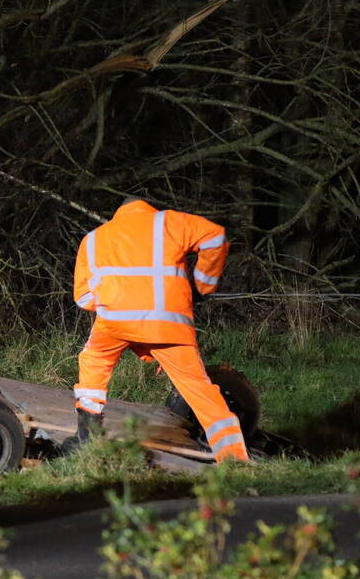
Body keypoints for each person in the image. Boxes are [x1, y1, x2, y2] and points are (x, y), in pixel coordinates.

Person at [71, 196, 248, 463]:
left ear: (119, 212)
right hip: (168, 324)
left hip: (114, 322)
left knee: (93, 362)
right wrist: (202, 286)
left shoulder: (94, 239)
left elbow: (83, 298)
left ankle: (87, 437)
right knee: (197, 387)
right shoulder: (169, 223)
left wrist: (114, 301)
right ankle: (233, 456)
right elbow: (215, 237)